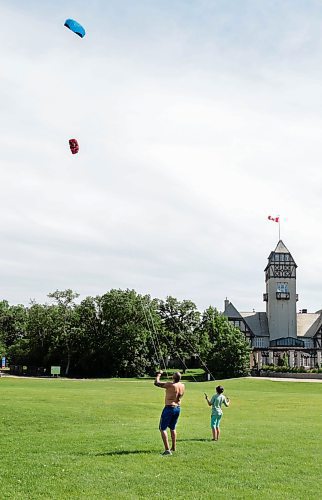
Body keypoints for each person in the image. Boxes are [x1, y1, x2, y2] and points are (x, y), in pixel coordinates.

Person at [154, 370, 185, 455]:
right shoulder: (182, 385)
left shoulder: (170, 385)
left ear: (173, 377)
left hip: (169, 408)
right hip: (177, 408)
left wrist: (159, 374)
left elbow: (156, 383)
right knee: (173, 428)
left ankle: (167, 450)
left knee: (162, 428)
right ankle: (173, 447)